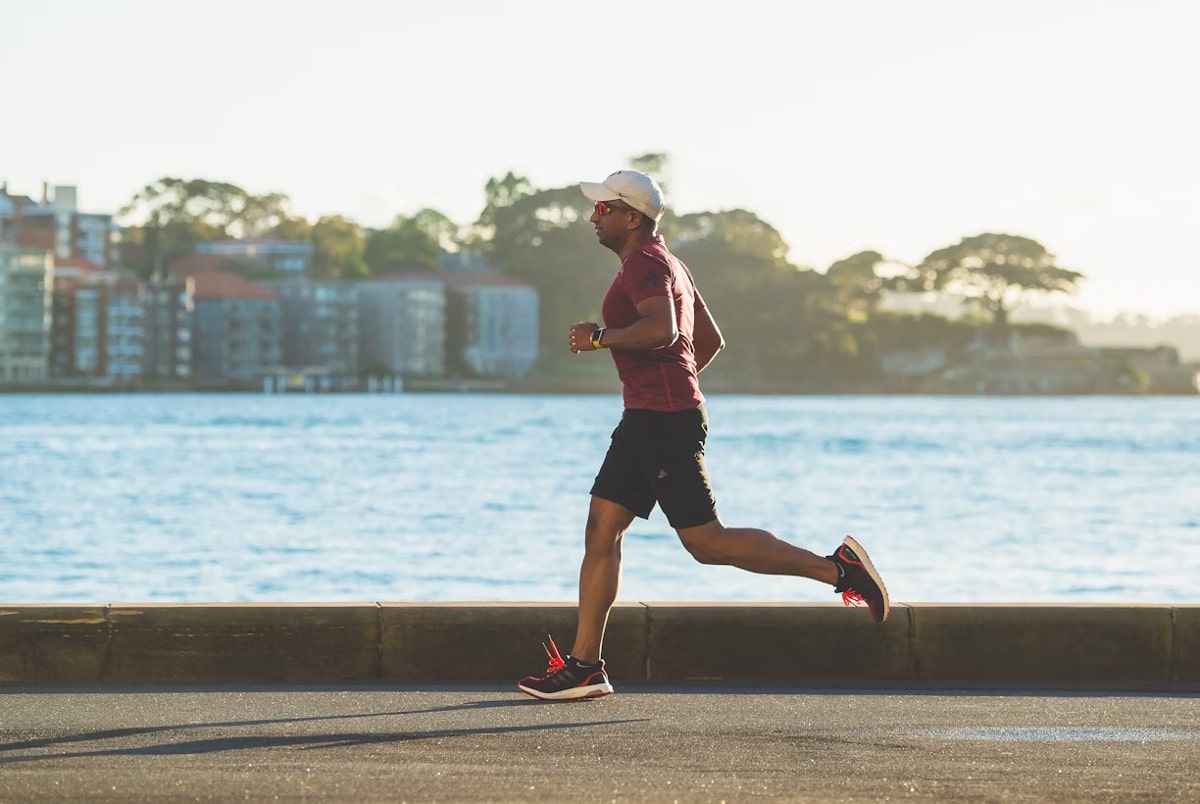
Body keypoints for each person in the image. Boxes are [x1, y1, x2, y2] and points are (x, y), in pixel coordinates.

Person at [517, 170, 889, 701]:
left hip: (662, 423)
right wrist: (671, 385)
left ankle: (839, 571)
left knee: (707, 543)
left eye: (603, 209)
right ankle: (585, 667)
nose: (593, 217)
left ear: (632, 216)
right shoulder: (669, 263)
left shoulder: (646, 264)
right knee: (602, 529)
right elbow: (707, 340)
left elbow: (665, 331)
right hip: (649, 418)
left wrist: (602, 338)